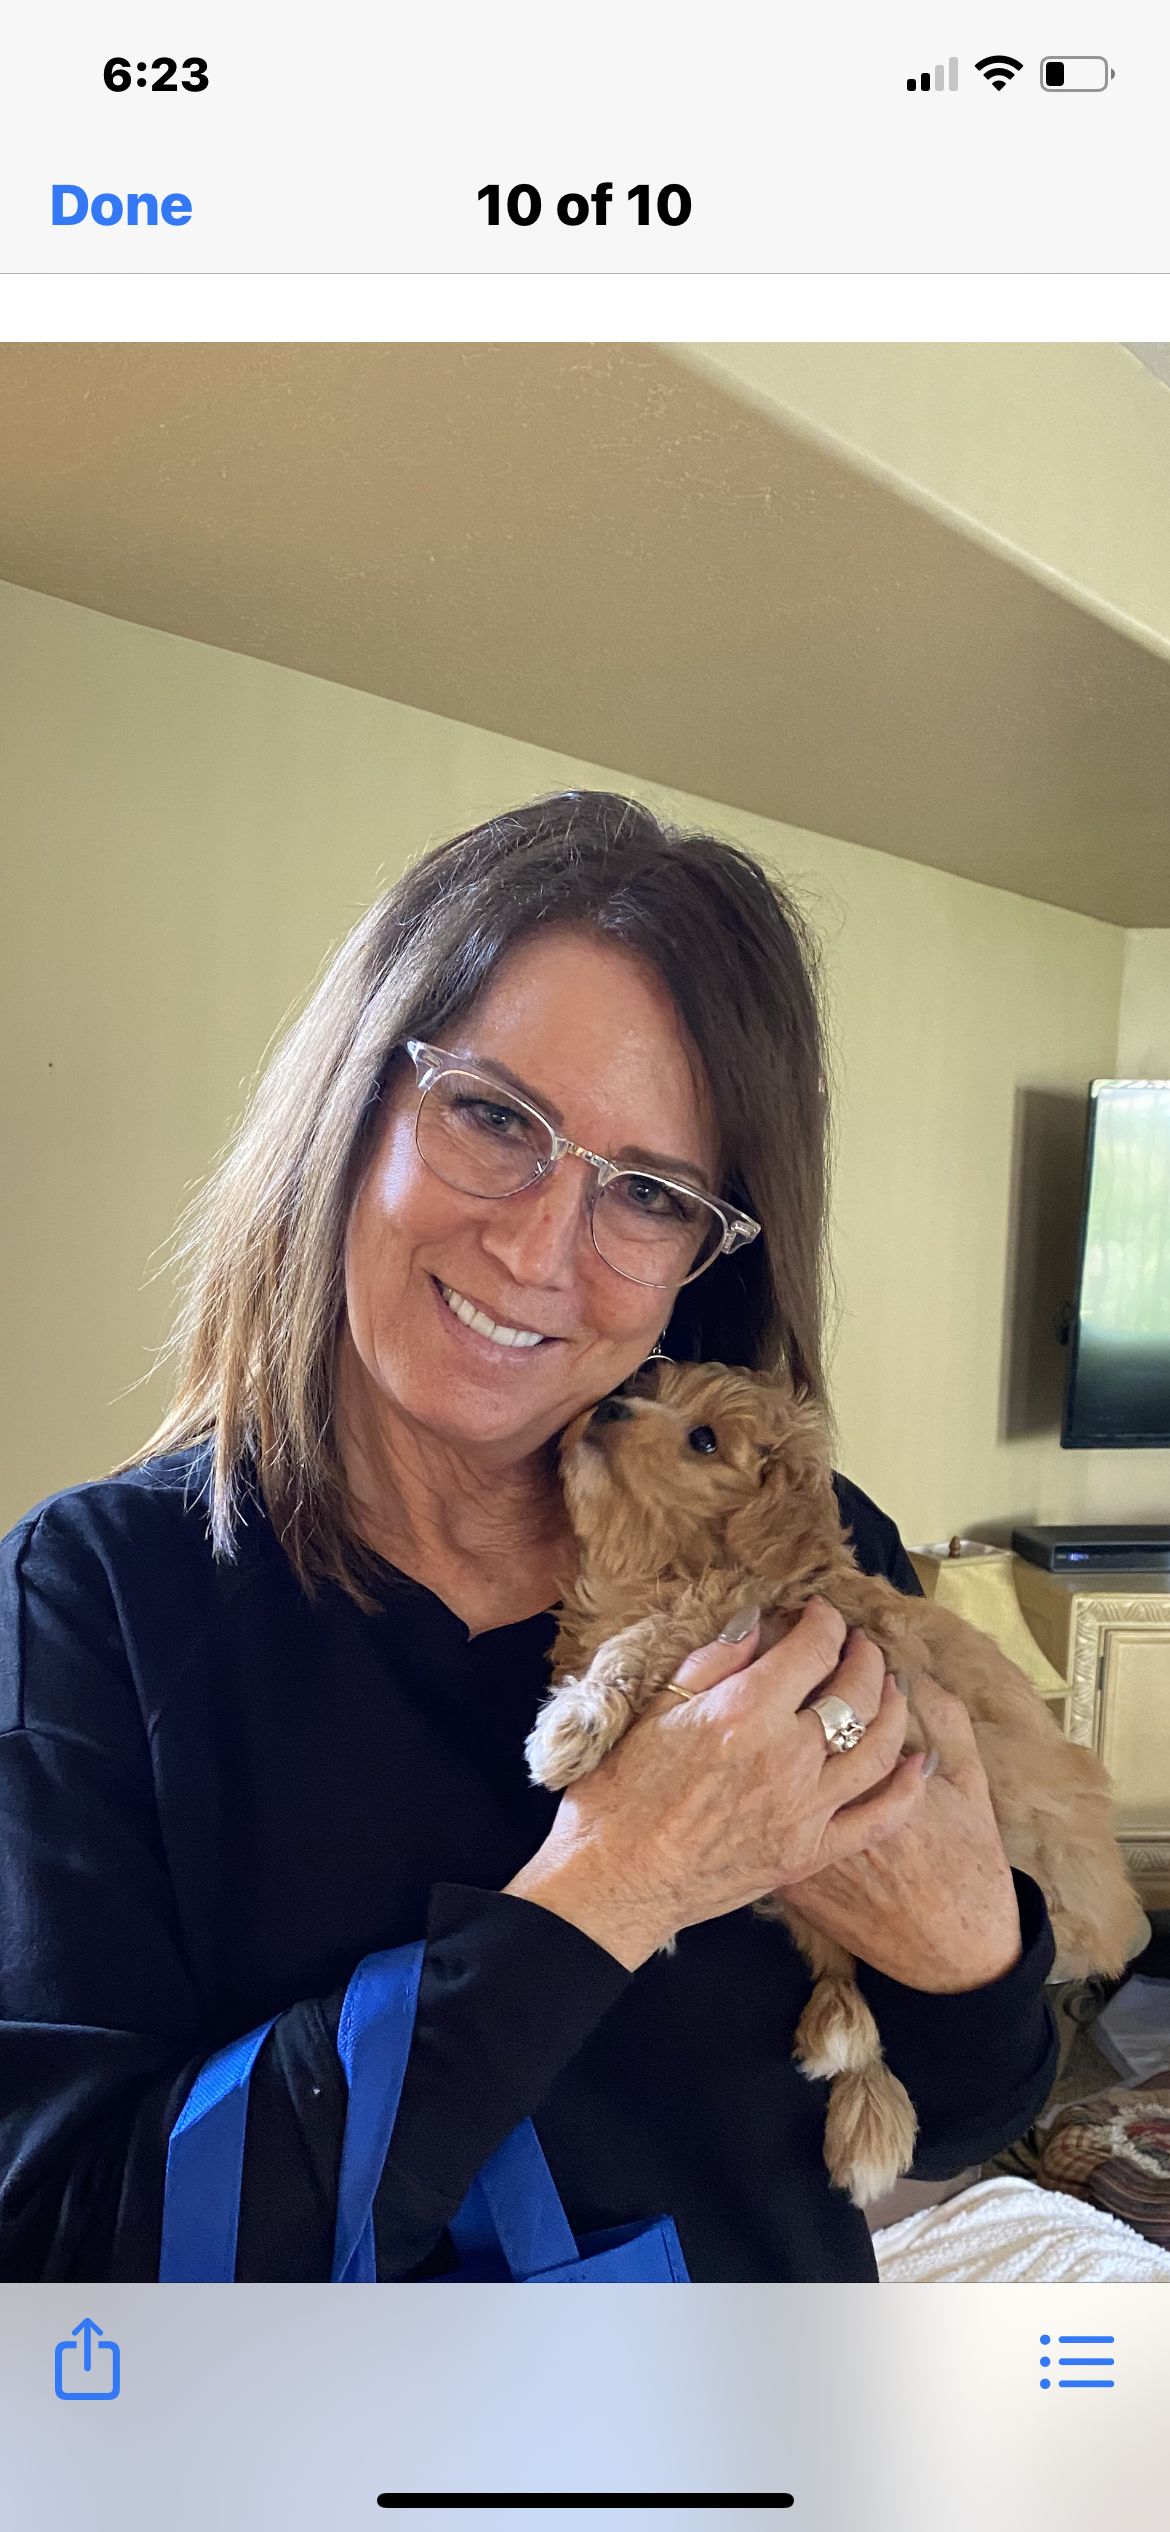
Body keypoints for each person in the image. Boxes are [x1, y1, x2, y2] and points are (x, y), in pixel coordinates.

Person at [0, 790, 1057, 2283]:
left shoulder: (802, 1552)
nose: (537, 1247)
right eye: (494, 1116)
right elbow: (64, 2267)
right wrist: (618, 1879)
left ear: (701, 1257)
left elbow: (971, 2111)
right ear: (354, 1108)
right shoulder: (96, 1600)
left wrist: (965, 1943)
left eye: (649, 1192)